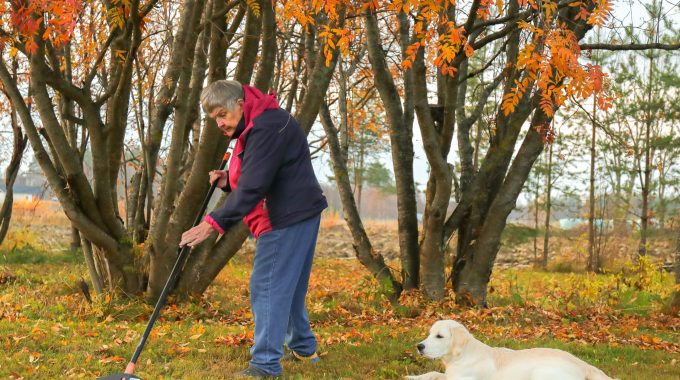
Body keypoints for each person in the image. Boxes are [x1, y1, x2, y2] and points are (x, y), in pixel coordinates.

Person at [179, 80, 327, 378]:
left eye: (222, 114)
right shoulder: (260, 123)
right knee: (289, 288)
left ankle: (265, 365)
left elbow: (256, 185)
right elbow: (260, 172)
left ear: (240, 104)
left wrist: (212, 223)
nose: (220, 123)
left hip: (285, 217)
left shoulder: (267, 126)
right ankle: (303, 347)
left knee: (268, 288)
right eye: (215, 119)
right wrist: (230, 179)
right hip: (298, 211)